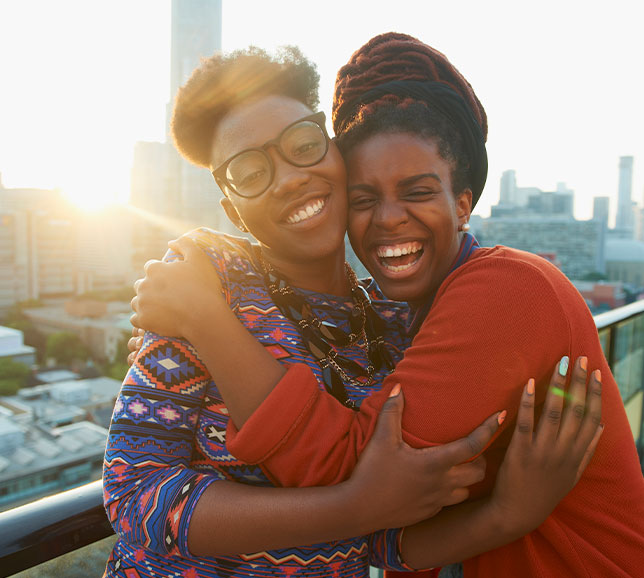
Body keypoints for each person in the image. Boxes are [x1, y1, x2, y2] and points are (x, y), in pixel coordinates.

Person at [127, 34, 642, 577]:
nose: (389, 218)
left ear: (463, 203)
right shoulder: (371, 312)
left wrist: (207, 324)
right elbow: (137, 488)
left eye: (418, 191)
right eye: (366, 198)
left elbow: (359, 482)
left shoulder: (499, 290)